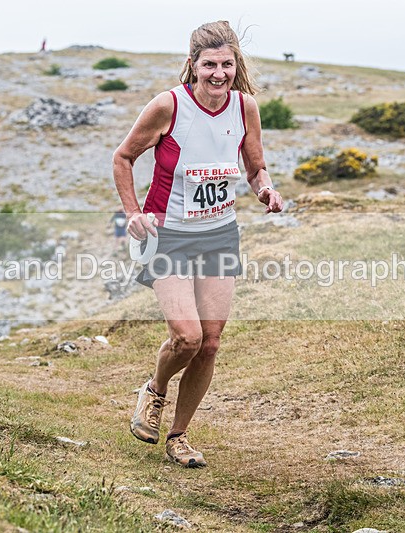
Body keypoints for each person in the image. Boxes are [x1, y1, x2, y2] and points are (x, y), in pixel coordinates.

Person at [112, 20, 283, 468]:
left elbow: (255, 167)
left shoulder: (245, 108)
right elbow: (123, 157)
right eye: (210, 64)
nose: (219, 73)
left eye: (227, 64)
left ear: (235, 65)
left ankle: (179, 436)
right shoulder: (168, 106)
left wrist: (265, 189)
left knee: (209, 342)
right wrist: (133, 212)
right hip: (168, 234)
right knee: (185, 337)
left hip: (220, 233)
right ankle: (154, 390)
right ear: (193, 65)